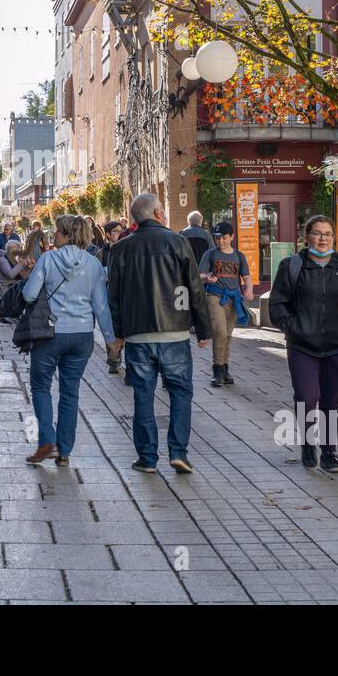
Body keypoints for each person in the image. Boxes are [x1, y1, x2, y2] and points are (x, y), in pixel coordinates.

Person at [107, 193, 212, 475]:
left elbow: (113, 298)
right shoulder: (178, 242)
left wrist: (118, 335)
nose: (165, 215)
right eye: (163, 211)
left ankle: (147, 457)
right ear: (156, 213)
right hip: (175, 332)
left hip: (138, 335)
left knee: (143, 395)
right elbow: (194, 288)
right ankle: (178, 453)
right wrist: (203, 329)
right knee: (180, 393)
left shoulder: (120, 249)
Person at [267, 215, 338, 473]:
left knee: (332, 400)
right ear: (307, 236)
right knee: (307, 396)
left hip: (335, 344)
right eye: (317, 233)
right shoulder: (292, 266)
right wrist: (293, 327)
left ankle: (329, 452)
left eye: (328, 233)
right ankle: (308, 442)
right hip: (302, 345)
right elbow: (277, 305)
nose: (323, 238)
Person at [21, 215, 115, 467]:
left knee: (41, 387)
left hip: (50, 333)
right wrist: (110, 340)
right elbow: (101, 306)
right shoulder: (93, 264)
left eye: (57, 233)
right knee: (70, 391)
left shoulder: (48, 259)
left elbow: (29, 295)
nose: (54, 237)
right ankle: (64, 451)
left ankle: (46, 441)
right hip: (82, 335)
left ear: (66, 234)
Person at [199, 221, 252, 388]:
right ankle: (217, 369)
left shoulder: (239, 256)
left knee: (228, 335)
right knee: (220, 332)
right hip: (215, 296)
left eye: (224, 238)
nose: (220, 241)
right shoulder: (210, 254)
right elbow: (199, 275)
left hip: (233, 298)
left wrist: (249, 289)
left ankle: (225, 368)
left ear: (232, 237)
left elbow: (246, 276)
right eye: (217, 238)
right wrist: (207, 277)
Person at [98, 220, 125, 374]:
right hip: (107, 295)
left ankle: (121, 353)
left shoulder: (127, 249)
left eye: (120, 230)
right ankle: (114, 359)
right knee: (111, 327)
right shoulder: (102, 253)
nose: (118, 233)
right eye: (115, 231)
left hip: (125, 294)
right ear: (107, 234)